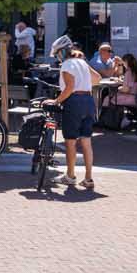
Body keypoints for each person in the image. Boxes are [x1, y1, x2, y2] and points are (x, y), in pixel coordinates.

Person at [54, 47, 100, 191]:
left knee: (70, 141)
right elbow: (97, 78)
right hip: (88, 100)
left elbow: (69, 87)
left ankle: (70, 175)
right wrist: (84, 82)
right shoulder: (83, 63)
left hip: (74, 101)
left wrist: (56, 101)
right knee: (86, 141)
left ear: (61, 54)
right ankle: (88, 178)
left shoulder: (67, 64)